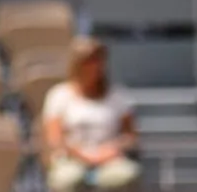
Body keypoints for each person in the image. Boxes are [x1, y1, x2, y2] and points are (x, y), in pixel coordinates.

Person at [42, 37, 141, 192]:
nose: (93, 67)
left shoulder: (118, 96)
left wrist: (112, 150)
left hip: (109, 158)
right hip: (72, 158)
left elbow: (130, 136)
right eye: (87, 62)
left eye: (97, 61)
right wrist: (81, 154)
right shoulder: (59, 95)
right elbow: (55, 138)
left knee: (125, 176)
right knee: (69, 179)